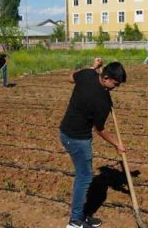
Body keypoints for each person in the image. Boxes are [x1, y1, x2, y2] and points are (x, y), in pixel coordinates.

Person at [59, 60, 127, 228]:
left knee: (84, 174)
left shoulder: (88, 74)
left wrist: (93, 67)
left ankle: (81, 215)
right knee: (85, 177)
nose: (116, 87)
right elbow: (100, 130)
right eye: (115, 83)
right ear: (105, 78)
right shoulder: (101, 100)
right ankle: (75, 221)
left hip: (65, 132)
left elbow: (70, 78)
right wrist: (117, 144)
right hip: (77, 139)